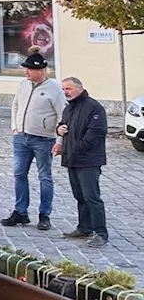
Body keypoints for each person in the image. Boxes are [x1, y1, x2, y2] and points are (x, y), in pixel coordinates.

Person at [3, 46, 66, 230]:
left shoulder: (54, 89)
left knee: (44, 176)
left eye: (29, 69)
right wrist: (15, 127)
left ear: (40, 71)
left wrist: (59, 141)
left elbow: (63, 116)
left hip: (44, 139)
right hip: (21, 137)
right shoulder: (23, 84)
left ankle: (44, 214)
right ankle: (20, 212)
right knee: (19, 174)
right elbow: (15, 105)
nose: (26, 72)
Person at [54, 77, 109, 248]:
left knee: (91, 196)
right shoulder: (69, 108)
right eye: (63, 89)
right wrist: (59, 129)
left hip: (89, 160)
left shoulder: (94, 108)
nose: (65, 92)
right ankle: (84, 227)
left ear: (80, 88)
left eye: (68, 89)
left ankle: (100, 232)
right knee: (79, 196)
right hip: (72, 159)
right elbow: (63, 125)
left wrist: (77, 148)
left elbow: (97, 133)